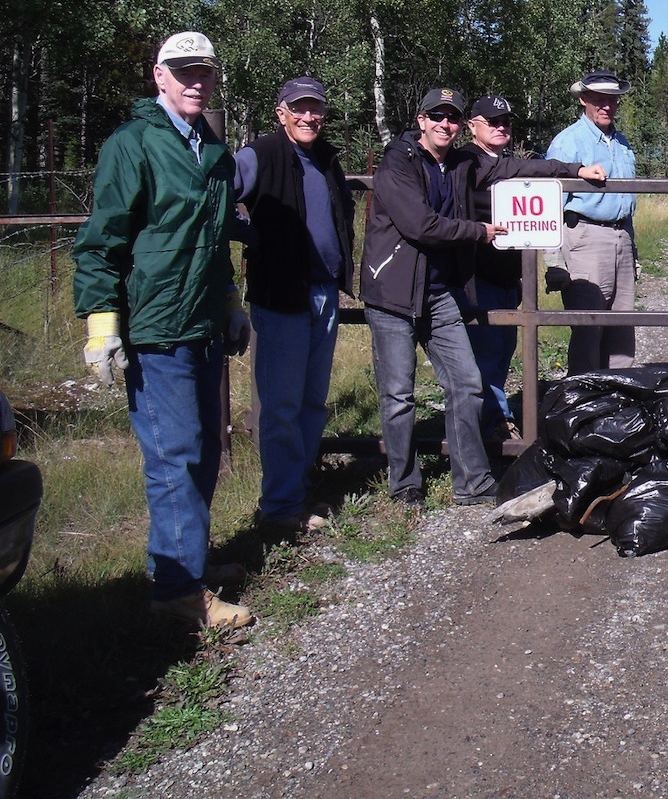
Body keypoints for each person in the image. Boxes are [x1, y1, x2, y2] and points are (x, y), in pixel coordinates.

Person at [73, 31, 254, 629]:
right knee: (174, 456)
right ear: (159, 76)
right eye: (183, 71)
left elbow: (215, 241)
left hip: (200, 323)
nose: (195, 81)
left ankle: (184, 567)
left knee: (203, 453)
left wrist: (230, 301)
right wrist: (103, 327)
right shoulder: (132, 145)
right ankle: (176, 593)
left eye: (203, 70)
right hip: (153, 329)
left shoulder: (214, 152)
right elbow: (101, 243)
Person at [360, 87, 507, 507]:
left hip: (440, 293)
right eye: (437, 116)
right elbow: (420, 225)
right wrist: (478, 232)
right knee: (398, 395)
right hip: (392, 294)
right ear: (421, 120)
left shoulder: (461, 162)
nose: (446, 123)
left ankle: (473, 482)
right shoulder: (398, 162)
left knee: (466, 382)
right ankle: (405, 484)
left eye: (454, 117)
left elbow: (514, 164)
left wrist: (573, 168)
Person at [234, 76, 355, 538]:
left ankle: (298, 490)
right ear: (280, 112)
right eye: (298, 108)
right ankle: (280, 505)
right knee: (281, 405)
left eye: (316, 109)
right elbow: (215, 195)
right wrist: (248, 234)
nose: (309, 117)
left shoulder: (325, 157)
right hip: (281, 293)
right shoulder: (259, 154)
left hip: (323, 291)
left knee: (310, 402)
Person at [461, 94, 606, 442]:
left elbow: (531, 168)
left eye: (506, 122)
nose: (500, 127)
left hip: (508, 273)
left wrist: (575, 171)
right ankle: (491, 428)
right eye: (492, 121)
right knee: (485, 353)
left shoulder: (502, 160)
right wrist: (572, 169)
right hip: (477, 274)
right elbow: (521, 169)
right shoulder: (466, 161)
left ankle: (494, 423)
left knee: (501, 350)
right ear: (472, 126)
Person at [545, 70, 638, 373]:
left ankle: (619, 401)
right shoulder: (567, 143)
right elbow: (550, 204)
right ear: (584, 100)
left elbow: (626, 201)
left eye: (611, 99)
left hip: (621, 236)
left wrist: (632, 249)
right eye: (599, 99)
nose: (606, 105)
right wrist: (553, 260)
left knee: (622, 327)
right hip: (585, 236)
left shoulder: (622, 143)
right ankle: (584, 406)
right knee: (588, 329)